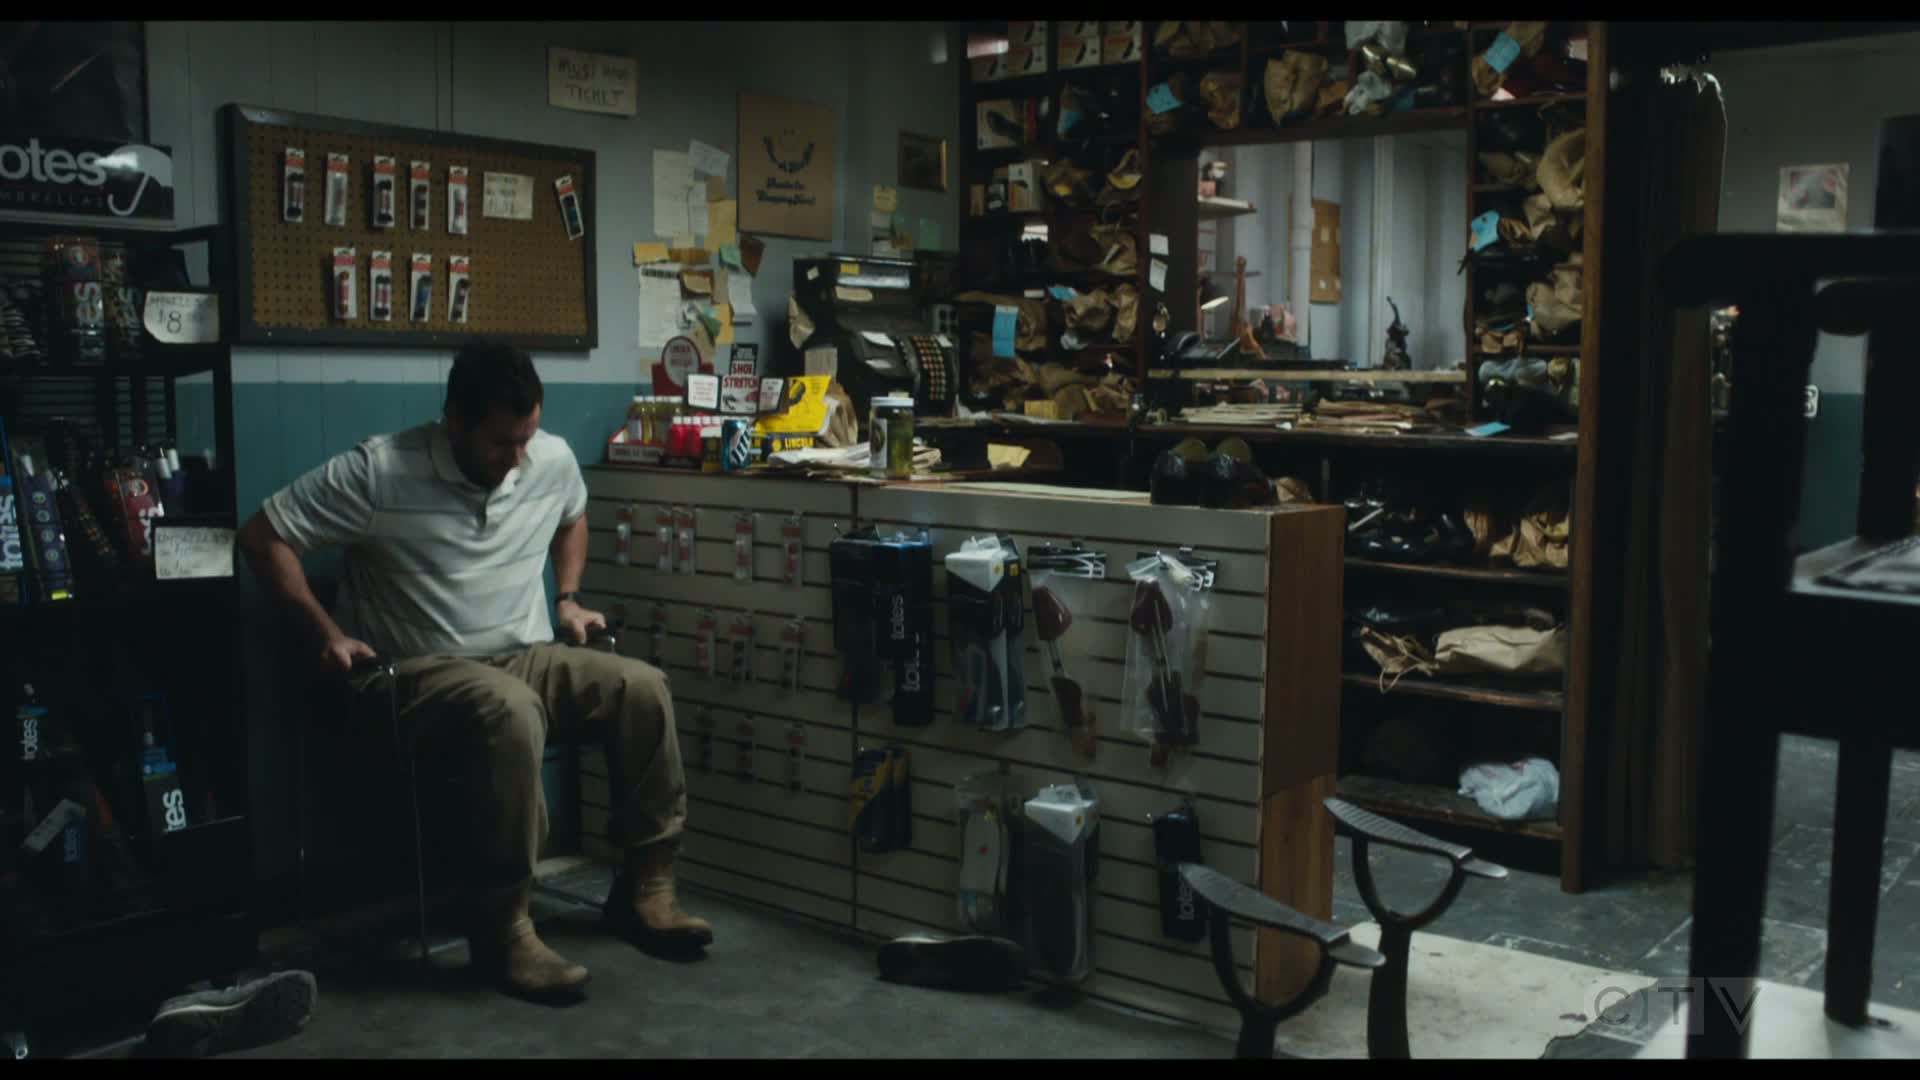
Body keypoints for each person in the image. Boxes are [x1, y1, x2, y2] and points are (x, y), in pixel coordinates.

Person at [238, 342, 709, 1004]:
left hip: (520, 653)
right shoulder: (379, 470)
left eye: (527, 438)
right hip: (408, 672)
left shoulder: (547, 458)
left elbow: (571, 513)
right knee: (507, 707)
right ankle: (502, 925)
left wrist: (568, 597)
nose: (517, 457)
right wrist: (326, 633)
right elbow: (263, 536)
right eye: (500, 442)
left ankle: (646, 885)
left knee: (641, 686)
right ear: (454, 420)